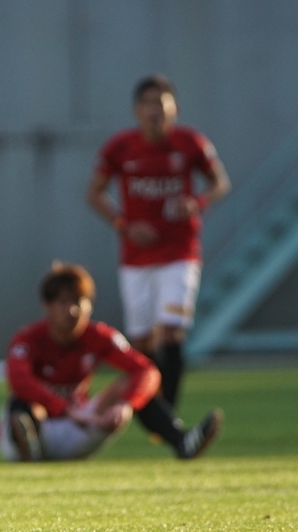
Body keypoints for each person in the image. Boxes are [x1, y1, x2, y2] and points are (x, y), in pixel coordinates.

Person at [86, 75, 230, 412]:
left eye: (161, 103)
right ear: (137, 110)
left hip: (180, 253)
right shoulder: (120, 147)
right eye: (149, 104)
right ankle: (152, 408)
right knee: (141, 341)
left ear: (174, 108)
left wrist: (197, 202)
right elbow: (94, 192)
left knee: (171, 331)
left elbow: (220, 182)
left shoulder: (190, 142)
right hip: (136, 257)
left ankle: (169, 412)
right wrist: (123, 224)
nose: (155, 111)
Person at [0, 262, 223, 463]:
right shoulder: (28, 338)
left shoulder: (99, 336)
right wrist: (64, 409)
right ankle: (27, 447)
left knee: (130, 386)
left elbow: (146, 370)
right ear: (47, 306)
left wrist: (125, 405)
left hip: (79, 426)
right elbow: (18, 379)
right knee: (20, 403)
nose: (72, 310)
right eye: (63, 302)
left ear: (90, 305)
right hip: (42, 426)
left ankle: (182, 441)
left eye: (78, 301)